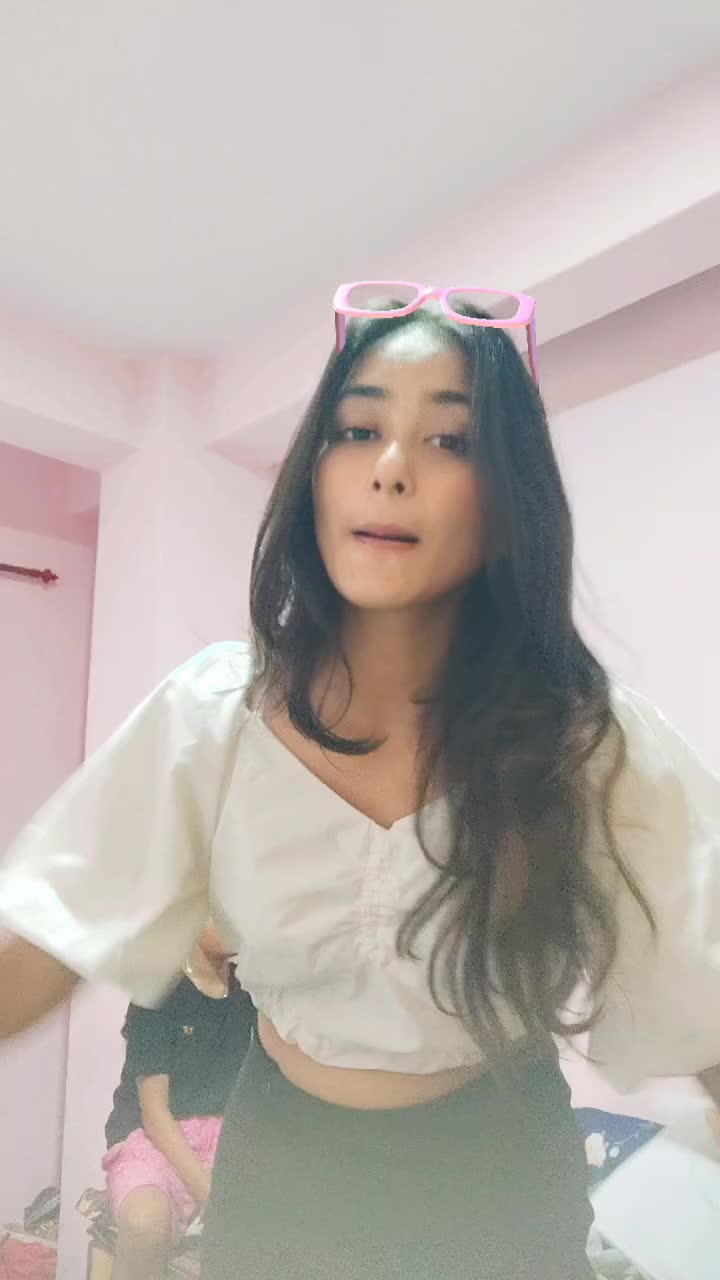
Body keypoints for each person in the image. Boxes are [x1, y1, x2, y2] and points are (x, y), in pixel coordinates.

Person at [0, 287, 719, 1279]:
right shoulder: (213, 714)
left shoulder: (588, 739)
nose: (391, 467)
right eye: (359, 429)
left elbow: (706, 994)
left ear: (509, 500)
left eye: (450, 441)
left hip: (501, 1179)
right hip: (283, 1170)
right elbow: (41, 941)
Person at [103, 920, 255, 1279]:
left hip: (225, 1140)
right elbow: (155, 1114)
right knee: (144, 1222)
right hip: (153, 1141)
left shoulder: (250, 994)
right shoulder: (158, 992)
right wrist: (207, 1191)